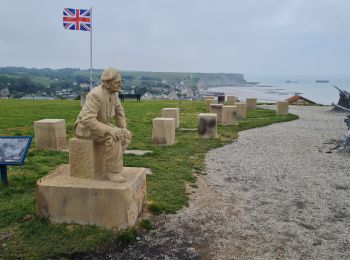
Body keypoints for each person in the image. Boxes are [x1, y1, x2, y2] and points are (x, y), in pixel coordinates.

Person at [73, 67, 132, 183]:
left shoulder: (114, 94)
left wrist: (123, 129)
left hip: (100, 124)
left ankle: (107, 163)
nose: (120, 85)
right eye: (117, 82)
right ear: (107, 83)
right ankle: (113, 172)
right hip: (85, 128)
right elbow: (88, 119)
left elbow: (119, 112)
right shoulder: (95, 95)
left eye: (120, 82)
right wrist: (111, 130)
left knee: (124, 137)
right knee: (113, 137)